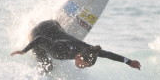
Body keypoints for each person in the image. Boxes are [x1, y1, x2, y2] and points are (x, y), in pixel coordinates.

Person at [11, 20, 141, 73]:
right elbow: (39, 40)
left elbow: (108, 54)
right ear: (79, 57)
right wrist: (24, 51)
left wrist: (129, 62)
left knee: (59, 36)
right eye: (83, 65)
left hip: (53, 23)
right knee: (48, 68)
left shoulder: (89, 49)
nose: (82, 67)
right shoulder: (61, 51)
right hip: (38, 32)